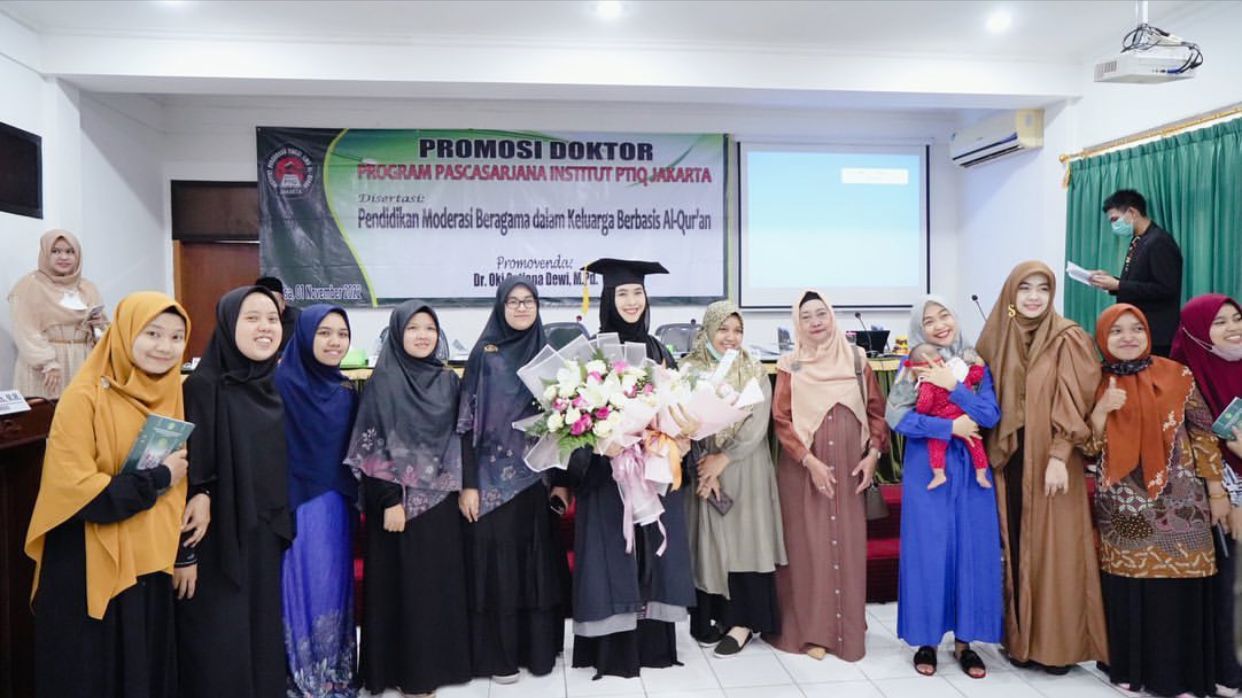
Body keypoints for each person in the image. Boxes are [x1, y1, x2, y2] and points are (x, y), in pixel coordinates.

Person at [25, 292, 189, 697]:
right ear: (125, 333)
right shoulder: (83, 398)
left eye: (176, 337)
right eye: (152, 333)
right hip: (87, 562)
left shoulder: (171, 394)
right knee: (95, 674)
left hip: (147, 559)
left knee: (141, 672)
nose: (165, 347)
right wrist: (158, 479)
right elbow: (84, 496)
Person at [564, 258, 696, 679]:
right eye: (622, 293)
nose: (632, 301)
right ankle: (612, 650)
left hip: (651, 472)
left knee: (652, 554)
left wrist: (678, 436)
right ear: (608, 299)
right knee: (612, 555)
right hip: (608, 477)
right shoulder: (592, 351)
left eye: (638, 292)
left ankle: (653, 646)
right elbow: (571, 418)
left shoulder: (658, 350)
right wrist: (604, 443)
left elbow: (675, 405)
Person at [1087, 303, 1228, 697]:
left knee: (1178, 589)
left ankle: (1178, 677)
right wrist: (1100, 411)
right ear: (1103, 338)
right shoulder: (1095, 380)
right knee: (1132, 587)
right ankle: (1130, 669)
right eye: (1117, 331)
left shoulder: (1177, 374)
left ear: (1148, 333)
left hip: (1182, 501)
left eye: (1136, 328)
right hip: (1123, 503)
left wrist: (1216, 490)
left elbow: (1203, 433)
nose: (1128, 337)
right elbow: (1085, 447)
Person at [976, 261, 1109, 674]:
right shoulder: (998, 335)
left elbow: (1077, 400)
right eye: (1025, 288)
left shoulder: (1067, 337)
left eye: (1043, 289)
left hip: (1053, 462)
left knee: (1057, 551)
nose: (1034, 297)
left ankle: (1057, 648)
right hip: (1010, 461)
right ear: (1010, 294)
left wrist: (1059, 455)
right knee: (1017, 548)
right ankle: (1020, 643)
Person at [346, 301, 472, 698]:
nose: (422, 335)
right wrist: (388, 500)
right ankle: (403, 672)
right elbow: (372, 442)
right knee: (402, 590)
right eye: (413, 328)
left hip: (441, 501)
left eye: (430, 328)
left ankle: (434, 667)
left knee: (434, 588)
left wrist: (463, 486)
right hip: (397, 504)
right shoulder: (383, 381)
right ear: (398, 333)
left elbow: (460, 435)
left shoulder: (448, 380)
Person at [175, 286, 290, 698]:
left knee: (260, 632)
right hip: (216, 541)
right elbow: (187, 479)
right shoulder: (202, 387)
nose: (265, 327)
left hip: (261, 535)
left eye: (272, 319)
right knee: (219, 642)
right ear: (228, 324)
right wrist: (184, 553)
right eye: (252, 318)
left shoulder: (270, 386)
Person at [456, 277, 568, 682]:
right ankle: (498, 656)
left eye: (529, 301)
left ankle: (536, 652)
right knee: (499, 572)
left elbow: (567, 425)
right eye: (513, 301)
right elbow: (465, 423)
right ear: (500, 307)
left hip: (536, 481)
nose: (522, 308)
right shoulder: (484, 355)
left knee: (534, 567)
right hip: (491, 484)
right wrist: (469, 483)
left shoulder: (549, 356)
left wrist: (561, 481)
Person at [766, 290, 886, 662]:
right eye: (806, 316)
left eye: (821, 314)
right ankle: (812, 632)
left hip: (850, 469)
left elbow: (876, 412)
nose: (815, 322)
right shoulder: (791, 364)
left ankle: (845, 631)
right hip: (803, 471)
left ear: (831, 317)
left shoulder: (856, 359)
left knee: (846, 549)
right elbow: (782, 420)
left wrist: (873, 455)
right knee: (807, 550)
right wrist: (809, 461)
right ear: (797, 323)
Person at [887, 296, 1001, 678]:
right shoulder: (911, 367)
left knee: (971, 550)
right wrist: (947, 427)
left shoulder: (975, 363)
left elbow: (990, 414)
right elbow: (896, 418)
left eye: (944, 315)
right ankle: (927, 640)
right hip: (928, 470)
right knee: (928, 551)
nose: (939, 325)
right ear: (919, 329)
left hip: (971, 469)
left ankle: (966, 642)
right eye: (929, 321)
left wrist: (954, 387)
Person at [681, 300, 787, 657]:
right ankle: (710, 617)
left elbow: (757, 423)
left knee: (744, 542)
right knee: (707, 543)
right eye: (723, 329)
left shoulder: (752, 368)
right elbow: (680, 418)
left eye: (737, 330)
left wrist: (722, 459)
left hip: (743, 467)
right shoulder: (688, 369)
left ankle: (742, 622)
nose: (731, 337)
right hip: (702, 468)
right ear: (708, 329)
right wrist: (703, 464)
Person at [275, 305, 359, 697]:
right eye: (324, 333)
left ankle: (334, 672)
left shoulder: (345, 389)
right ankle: (301, 675)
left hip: (337, 503)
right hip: (298, 502)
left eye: (342, 334)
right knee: (302, 585)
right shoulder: (279, 384)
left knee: (334, 583)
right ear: (306, 335)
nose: (334, 342)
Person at [1172, 293, 1242, 697]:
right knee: (1229, 585)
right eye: (1219, 322)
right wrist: (1222, 493)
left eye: (1236, 318)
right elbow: (1193, 442)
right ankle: (1227, 669)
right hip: (1216, 491)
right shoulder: (1183, 377)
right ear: (1197, 332)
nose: (1233, 328)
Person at [8, 229, 108, 399]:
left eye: (70, 252)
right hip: (46, 368)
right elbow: (25, 330)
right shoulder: (29, 286)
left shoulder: (87, 288)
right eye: (56, 251)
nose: (63, 257)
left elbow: (103, 332)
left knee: (79, 410)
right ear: (45, 253)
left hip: (82, 362)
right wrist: (47, 362)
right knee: (45, 412)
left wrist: (99, 325)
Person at [1088, 189, 1183, 357]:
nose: (1113, 226)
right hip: (1139, 330)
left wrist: (1119, 285)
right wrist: (1111, 282)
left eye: (1115, 219)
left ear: (1132, 212)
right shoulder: (1139, 240)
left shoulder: (1159, 241)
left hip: (1156, 335)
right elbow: (1140, 282)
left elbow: (1166, 288)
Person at [904, 343, 991, 491]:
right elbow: (974, 376)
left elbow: (924, 406)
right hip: (965, 419)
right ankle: (981, 474)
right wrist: (978, 366)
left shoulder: (928, 385)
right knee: (976, 444)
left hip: (942, 421)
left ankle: (939, 474)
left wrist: (918, 408)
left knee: (936, 447)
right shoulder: (957, 373)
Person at [256, 276, 301, 352]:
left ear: (283, 302)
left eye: (274, 301)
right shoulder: (249, 320)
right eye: (263, 302)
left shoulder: (299, 321)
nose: (269, 306)